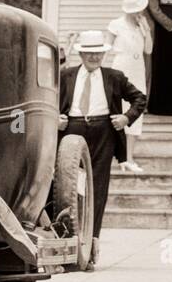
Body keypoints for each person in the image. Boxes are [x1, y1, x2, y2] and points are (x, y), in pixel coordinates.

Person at [58, 30, 146, 269]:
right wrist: (57, 119)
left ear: (103, 55)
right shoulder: (65, 75)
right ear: (82, 54)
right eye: (89, 53)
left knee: (97, 189)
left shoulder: (114, 77)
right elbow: (48, 101)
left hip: (103, 131)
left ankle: (91, 245)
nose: (94, 57)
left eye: (98, 53)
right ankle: (69, 245)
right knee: (69, 186)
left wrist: (126, 118)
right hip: (72, 129)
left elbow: (140, 98)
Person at [106, 0, 153, 173]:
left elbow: (148, 49)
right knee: (119, 107)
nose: (140, 13)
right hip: (121, 65)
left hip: (137, 67)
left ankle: (130, 157)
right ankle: (118, 156)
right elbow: (107, 47)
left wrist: (146, 30)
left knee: (136, 107)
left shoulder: (141, 26)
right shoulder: (116, 25)